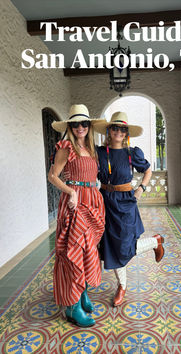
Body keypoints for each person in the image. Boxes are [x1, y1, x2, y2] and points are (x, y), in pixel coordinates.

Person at [93, 112, 164, 307]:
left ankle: (154, 242)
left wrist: (141, 189)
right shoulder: (99, 152)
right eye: (115, 128)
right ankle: (122, 286)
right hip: (105, 201)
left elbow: (147, 170)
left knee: (124, 246)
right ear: (109, 131)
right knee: (111, 247)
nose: (118, 131)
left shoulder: (133, 153)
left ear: (126, 133)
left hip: (125, 203)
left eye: (122, 129)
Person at [48, 104, 105, 327]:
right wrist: (71, 191)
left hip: (92, 203)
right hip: (75, 204)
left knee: (88, 251)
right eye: (75, 124)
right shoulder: (66, 147)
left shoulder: (91, 148)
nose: (80, 127)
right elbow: (53, 176)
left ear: (89, 126)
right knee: (75, 252)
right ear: (70, 127)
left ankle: (82, 294)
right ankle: (72, 307)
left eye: (84, 123)